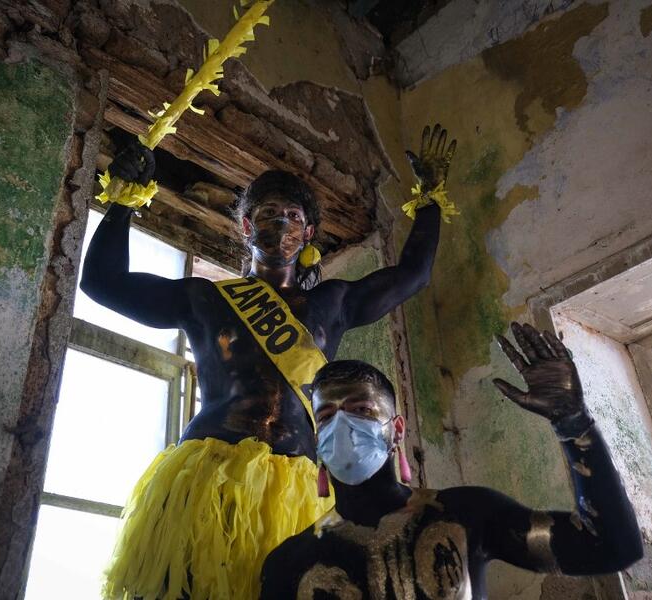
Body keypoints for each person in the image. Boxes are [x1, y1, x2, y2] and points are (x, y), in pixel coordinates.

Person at [80, 125, 458, 600]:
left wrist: (429, 199)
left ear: (309, 234)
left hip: (297, 486)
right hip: (209, 476)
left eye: (293, 215)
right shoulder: (204, 298)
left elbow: (413, 274)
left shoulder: (333, 303)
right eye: (267, 214)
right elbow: (103, 283)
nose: (281, 223)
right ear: (244, 226)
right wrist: (122, 202)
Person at [260, 322, 644, 599]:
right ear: (316, 441)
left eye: (360, 409)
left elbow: (611, 547)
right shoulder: (289, 563)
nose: (341, 424)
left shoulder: (468, 513)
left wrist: (574, 423)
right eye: (326, 416)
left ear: (396, 429)